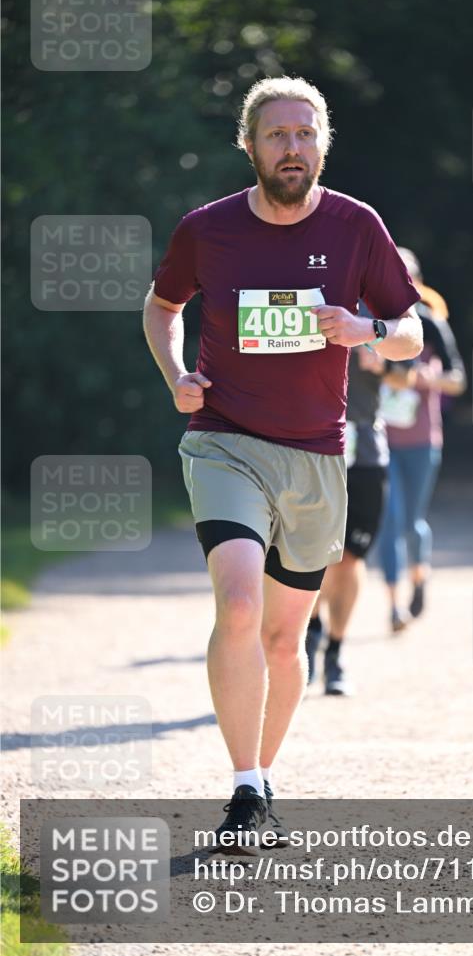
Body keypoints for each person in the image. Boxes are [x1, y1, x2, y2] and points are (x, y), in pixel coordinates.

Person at [143, 77, 423, 848]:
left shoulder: (355, 226)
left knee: (283, 638)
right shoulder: (208, 229)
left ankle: (260, 781)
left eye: (304, 134)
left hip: (317, 455)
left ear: (322, 145)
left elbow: (411, 332)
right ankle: (239, 789)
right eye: (276, 135)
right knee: (237, 603)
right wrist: (177, 378)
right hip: (224, 439)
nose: (291, 147)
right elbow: (162, 304)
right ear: (250, 145)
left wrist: (362, 328)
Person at [305, 323, 414, 696]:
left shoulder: (376, 309)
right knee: (309, 555)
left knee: (351, 557)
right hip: (312, 444)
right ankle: (309, 634)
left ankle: (335, 652)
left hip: (365, 447)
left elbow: (406, 376)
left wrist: (382, 365)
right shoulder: (303, 290)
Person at [377, 247, 466, 633]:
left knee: (413, 522)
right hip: (380, 440)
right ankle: (394, 605)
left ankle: (419, 576)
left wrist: (425, 379)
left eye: (408, 278)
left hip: (423, 440)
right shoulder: (371, 323)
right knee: (389, 520)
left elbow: (458, 379)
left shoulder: (430, 324)